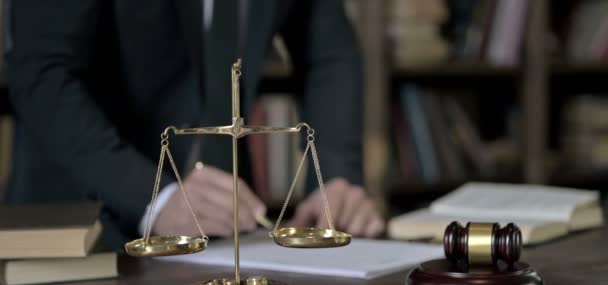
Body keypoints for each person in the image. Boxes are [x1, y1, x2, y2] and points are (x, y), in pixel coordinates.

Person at [5, 0, 384, 247]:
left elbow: (329, 50)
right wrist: (156, 198)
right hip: (81, 230)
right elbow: (41, 74)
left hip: (226, 231)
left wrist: (334, 178)